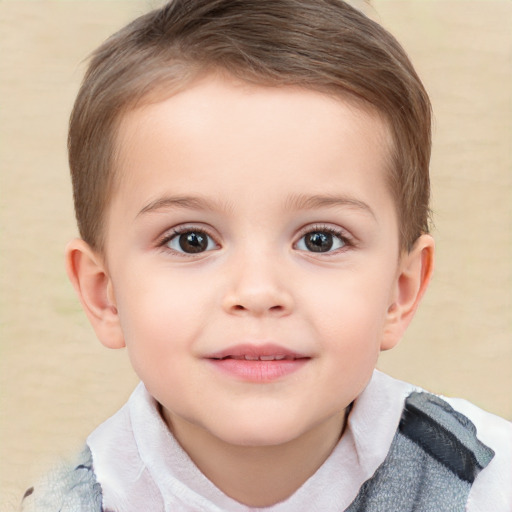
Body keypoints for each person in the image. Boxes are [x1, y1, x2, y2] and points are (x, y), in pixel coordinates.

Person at [21, 0, 511, 510]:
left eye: (321, 239)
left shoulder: (492, 486)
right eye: (191, 240)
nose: (257, 292)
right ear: (105, 295)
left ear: (399, 291)